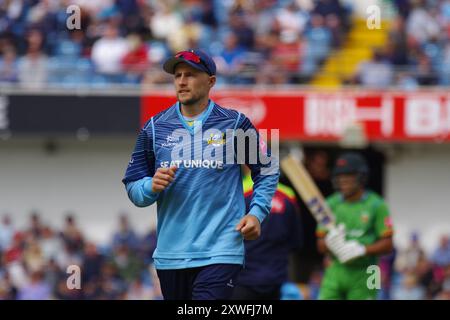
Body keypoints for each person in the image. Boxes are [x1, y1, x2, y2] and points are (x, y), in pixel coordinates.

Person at [122, 49, 279, 300]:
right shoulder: (153, 127)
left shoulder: (235, 123)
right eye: (178, 75)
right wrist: (151, 185)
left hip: (221, 251)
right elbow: (134, 189)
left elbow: (268, 169)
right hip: (170, 257)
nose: (182, 81)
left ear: (211, 81)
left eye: (191, 75)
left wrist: (257, 213)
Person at [316, 152, 394, 300]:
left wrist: (362, 249)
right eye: (340, 178)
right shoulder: (330, 204)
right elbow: (320, 245)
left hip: (369, 270)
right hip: (336, 268)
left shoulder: (377, 205)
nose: (343, 182)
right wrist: (331, 243)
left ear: (361, 177)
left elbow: (388, 245)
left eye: (348, 177)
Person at [232, 169, 302, 300]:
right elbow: (295, 242)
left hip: (242, 279)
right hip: (276, 280)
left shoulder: (237, 191)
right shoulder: (288, 195)